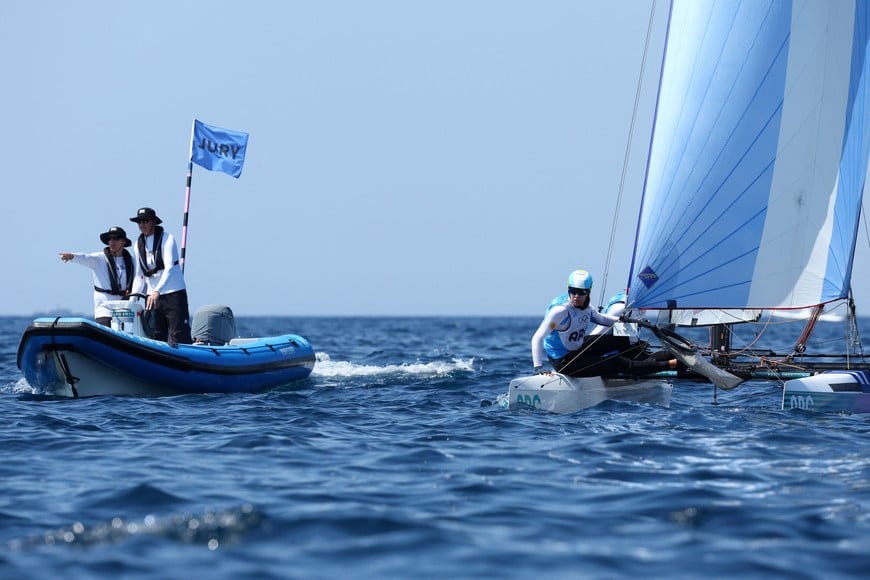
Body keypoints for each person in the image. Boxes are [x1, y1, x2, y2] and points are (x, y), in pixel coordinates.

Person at [531, 269, 676, 377]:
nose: (576, 296)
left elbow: (602, 319)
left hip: (577, 348)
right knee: (616, 362)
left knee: (623, 341)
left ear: (588, 292)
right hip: (563, 361)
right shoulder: (560, 312)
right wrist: (538, 368)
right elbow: (537, 338)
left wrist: (634, 323)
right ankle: (668, 365)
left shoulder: (587, 308)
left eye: (581, 293)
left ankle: (641, 364)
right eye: (573, 291)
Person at [130, 207, 192, 344]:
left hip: (173, 294)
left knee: (178, 335)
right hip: (152, 298)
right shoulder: (137, 245)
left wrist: (157, 291)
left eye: (145, 221)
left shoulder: (168, 239)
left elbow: (169, 268)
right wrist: (132, 302)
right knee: (155, 336)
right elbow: (139, 276)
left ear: (153, 222)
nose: (142, 225)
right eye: (139, 222)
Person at [60, 226, 141, 326]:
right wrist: (72, 256)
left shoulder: (132, 261)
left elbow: (140, 279)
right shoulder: (99, 259)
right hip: (104, 307)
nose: (112, 241)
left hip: (124, 306)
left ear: (123, 241)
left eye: (115, 238)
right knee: (105, 330)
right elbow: (86, 258)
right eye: (110, 239)